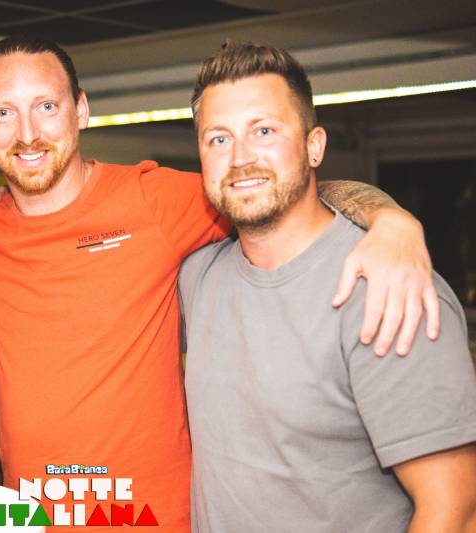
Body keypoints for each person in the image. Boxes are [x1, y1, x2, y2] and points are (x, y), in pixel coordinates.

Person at [0, 37, 439, 531]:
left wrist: (391, 220)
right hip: (23, 517)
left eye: (46, 106)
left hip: (153, 519)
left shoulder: (156, 200)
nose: (28, 132)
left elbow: (268, 188)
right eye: (4, 112)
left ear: (82, 111)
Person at [180, 41, 476, 532]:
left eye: (264, 131)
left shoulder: (387, 289)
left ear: (314, 146)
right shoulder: (199, 277)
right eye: (218, 139)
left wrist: (391, 220)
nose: (240, 157)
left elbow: (457, 511)